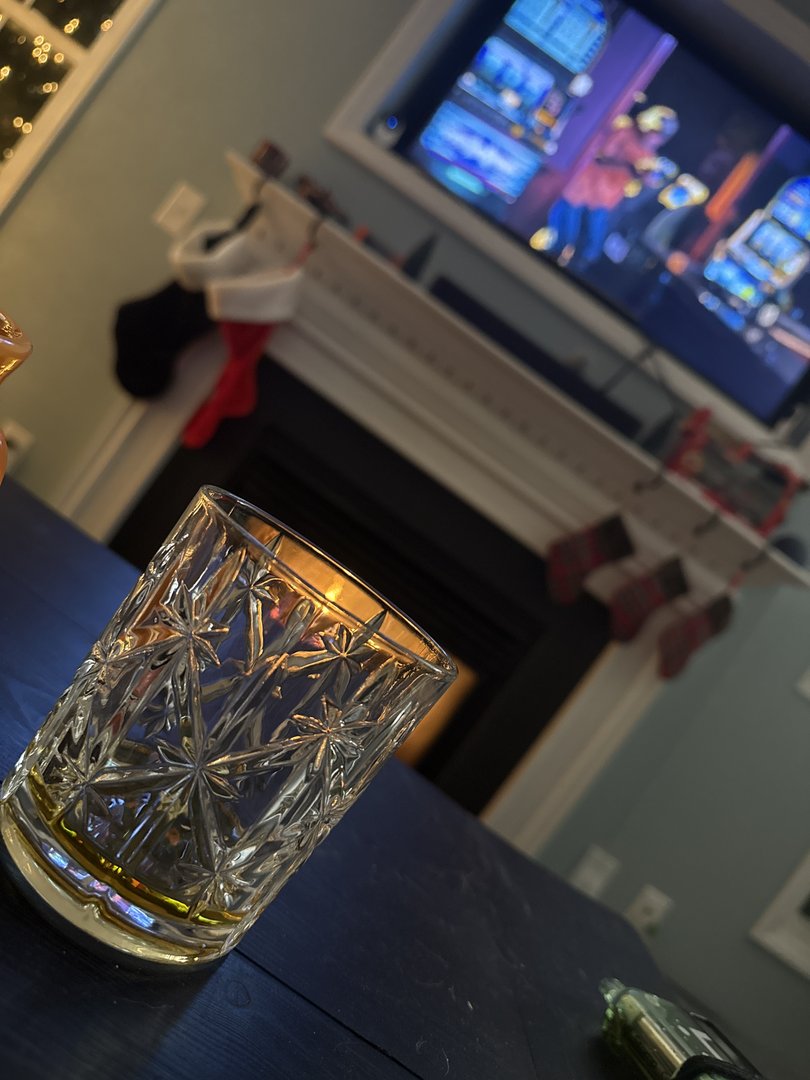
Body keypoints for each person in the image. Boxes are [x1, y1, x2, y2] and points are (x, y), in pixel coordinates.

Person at [547, 105, 679, 267]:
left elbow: (637, 186)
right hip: (583, 188)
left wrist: (646, 179)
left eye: (663, 137)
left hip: (604, 201)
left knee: (591, 248)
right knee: (564, 237)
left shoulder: (650, 156)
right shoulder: (625, 131)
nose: (657, 139)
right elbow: (601, 156)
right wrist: (629, 167)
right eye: (657, 132)